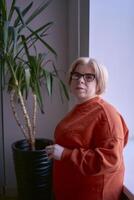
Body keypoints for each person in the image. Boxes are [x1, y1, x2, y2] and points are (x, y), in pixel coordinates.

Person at [45, 57, 129, 200]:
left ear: (99, 83)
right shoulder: (81, 108)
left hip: (92, 193)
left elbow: (111, 160)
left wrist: (65, 154)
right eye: (76, 75)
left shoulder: (106, 114)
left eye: (89, 77)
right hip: (72, 190)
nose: (80, 80)